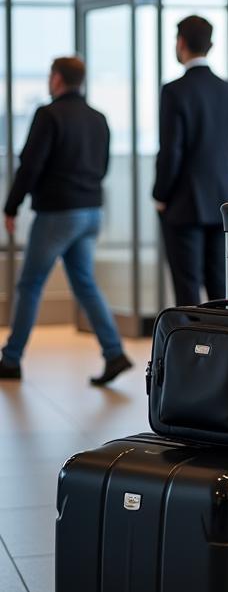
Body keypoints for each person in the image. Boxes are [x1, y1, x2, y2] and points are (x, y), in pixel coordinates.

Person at [0, 57, 132, 385]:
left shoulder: (48, 115)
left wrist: (11, 206)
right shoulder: (98, 118)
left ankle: (11, 360)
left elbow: (30, 165)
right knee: (85, 283)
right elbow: (102, 167)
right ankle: (114, 353)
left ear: (57, 79)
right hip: (90, 212)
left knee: (30, 284)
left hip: (58, 213)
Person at [154, 15, 228, 306]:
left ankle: (192, 352)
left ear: (180, 43)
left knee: (187, 288)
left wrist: (160, 195)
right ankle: (225, 350)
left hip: (183, 203)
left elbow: (171, 151)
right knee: (221, 286)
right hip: (222, 200)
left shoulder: (174, 91)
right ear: (212, 45)